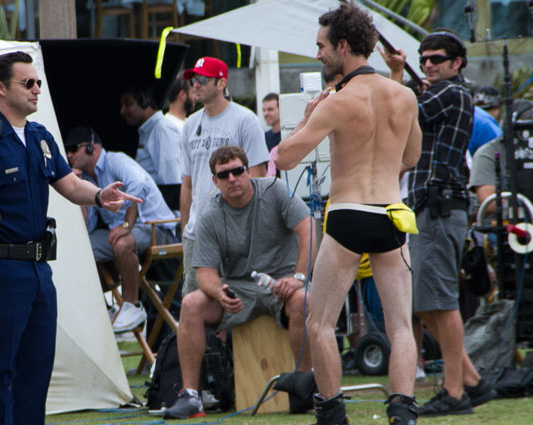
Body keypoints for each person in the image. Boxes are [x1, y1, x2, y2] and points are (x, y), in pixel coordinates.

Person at [276, 4, 422, 423]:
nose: (317, 54)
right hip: (392, 214)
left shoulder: (338, 100)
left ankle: (332, 413)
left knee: (320, 322)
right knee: (399, 326)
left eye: (321, 46)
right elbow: (410, 156)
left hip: (348, 211)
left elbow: (285, 159)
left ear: (343, 45)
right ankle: (403, 412)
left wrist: (305, 121)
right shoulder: (404, 95)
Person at [0, 51, 141, 425]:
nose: (37, 89)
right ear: (0, 89)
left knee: (37, 371)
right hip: (4, 268)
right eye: (28, 83)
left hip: (39, 269)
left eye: (39, 82)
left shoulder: (40, 135)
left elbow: (68, 183)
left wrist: (100, 195)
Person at [382, 28, 496, 417]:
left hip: (438, 206)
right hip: (429, 207)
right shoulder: (438, 92)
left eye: (436, 59)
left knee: (441, 303)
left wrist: (398, 75)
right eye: (423, 58)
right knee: (426, 303)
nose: (428, 64)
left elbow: (397, 114)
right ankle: (472, 382)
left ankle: (454, 392)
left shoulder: (449, 92)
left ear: (456, 63)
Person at [165, 146, 313, 419]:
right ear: (215, 181)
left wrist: (298, 277)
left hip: (283, 283)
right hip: (238, 288)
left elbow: (309, 228)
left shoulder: (275, 190)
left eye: (237, 170)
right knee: (191, 303)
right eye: (223, 175)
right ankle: (191, 396)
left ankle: (305, 386)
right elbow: (205, 273)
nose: (232, 178)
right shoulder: (210, 214)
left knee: (303, 300)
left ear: (248, 171)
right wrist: (218, 292)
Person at [63, 126, 177, 333]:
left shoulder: (116, 160)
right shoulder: (85, 178)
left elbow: (139, 184)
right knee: (79, 246)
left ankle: (132, 305)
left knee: (122, 242)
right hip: (123, 232)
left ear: (92, 148)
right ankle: (102, 306)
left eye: (73, 149)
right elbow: (87, 227)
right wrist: (76, 187)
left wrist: (126, 225)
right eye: (67, 150)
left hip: (156, 228)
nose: (69, 155)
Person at [179, 56, 270, 300]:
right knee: (195, 303)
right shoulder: (189, 125)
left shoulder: (245, 120)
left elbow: (259, 178)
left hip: (237, 230)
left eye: (201, 79)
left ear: (221, 84)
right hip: (197, 232)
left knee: (239, 300)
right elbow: (187, 183)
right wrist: (185, 228)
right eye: (192, 80)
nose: (195, 85)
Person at [120, 85, 183, 210]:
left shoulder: (162, 129)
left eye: (128, 104)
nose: (122, 111)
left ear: (145, 101)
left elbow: (171, 182)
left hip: (163, 219)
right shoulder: (150, 129)